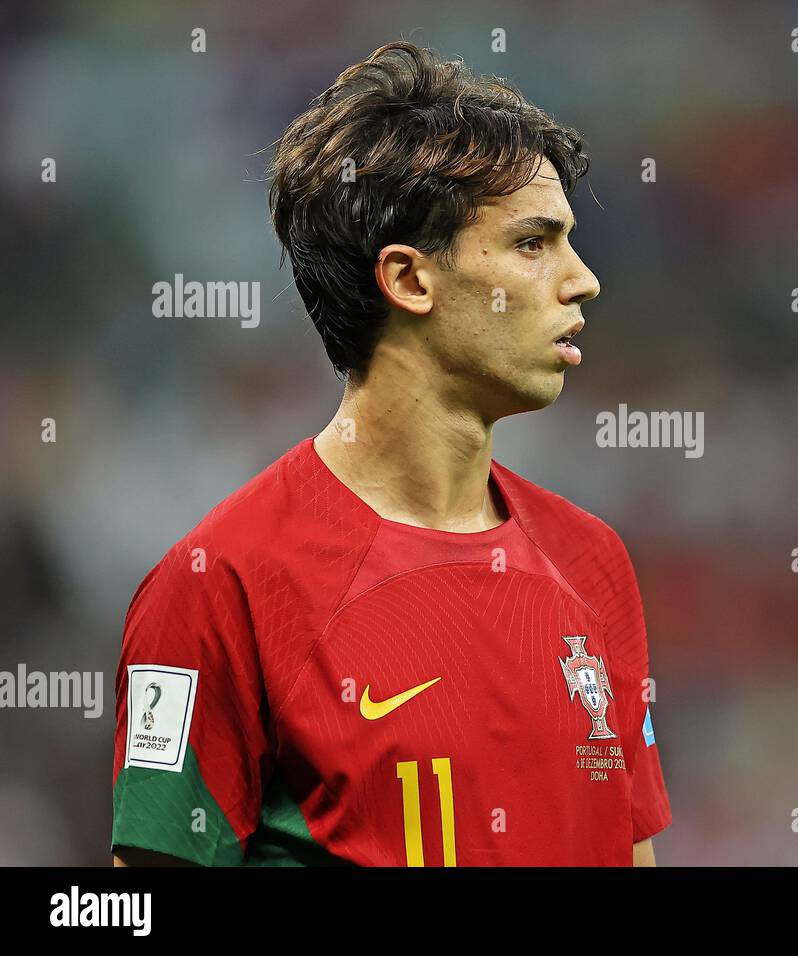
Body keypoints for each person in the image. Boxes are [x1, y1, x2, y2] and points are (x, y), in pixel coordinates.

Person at [111, 41, 670, 866]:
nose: (582, 279)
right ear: (409, 280)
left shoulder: (593, 564)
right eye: (532, 243)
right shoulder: (220, 584)